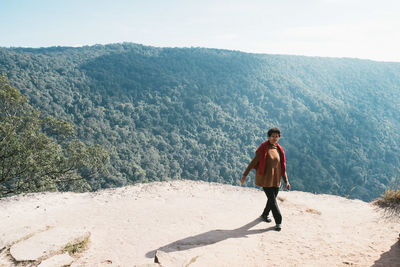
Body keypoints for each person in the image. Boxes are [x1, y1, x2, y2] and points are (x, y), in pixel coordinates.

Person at [240, 127, 290, 231]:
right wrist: (245, 175)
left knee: (271, 200)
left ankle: (264, 215)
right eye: (272, 136)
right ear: (269, 137)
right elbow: (253, 162)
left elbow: (282, 166)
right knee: (272, 200)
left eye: (277, 136)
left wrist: (286, 181)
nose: (274, 138)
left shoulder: (279, 150)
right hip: (265, 179)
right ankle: (278, 221)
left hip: (276, 179)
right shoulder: (263, 148)